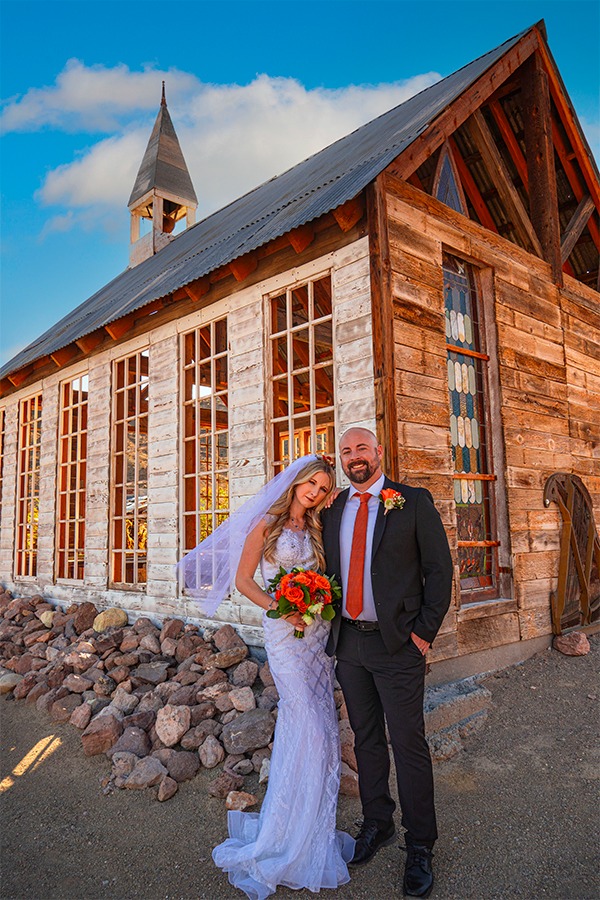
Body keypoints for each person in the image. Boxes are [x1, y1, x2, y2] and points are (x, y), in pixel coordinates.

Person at [177, 454, 354, 900]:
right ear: (295, 483)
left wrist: (313, 606)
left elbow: (326, 576)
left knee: (318, 722)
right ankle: (283, 836)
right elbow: (242, 581)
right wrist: (283, 609)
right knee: (307, 720)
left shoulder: (315, 528)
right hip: (284, 634)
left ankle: (310, 824)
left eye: (322, 487)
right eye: (310, 483)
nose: (314, 492)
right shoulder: (266, 525)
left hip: (317, 636)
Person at [322, 427, 453, 898]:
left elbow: (441, 572)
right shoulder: (333, 507)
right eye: (346, 451)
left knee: (408, 743)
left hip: (398, 646)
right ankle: (378, 822)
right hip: (350, 646)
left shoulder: (412, 502)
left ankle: (421, 844)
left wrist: (422, 635)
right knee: (367, 740)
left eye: (361, 448)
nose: (354, 456)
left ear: (379, 453)